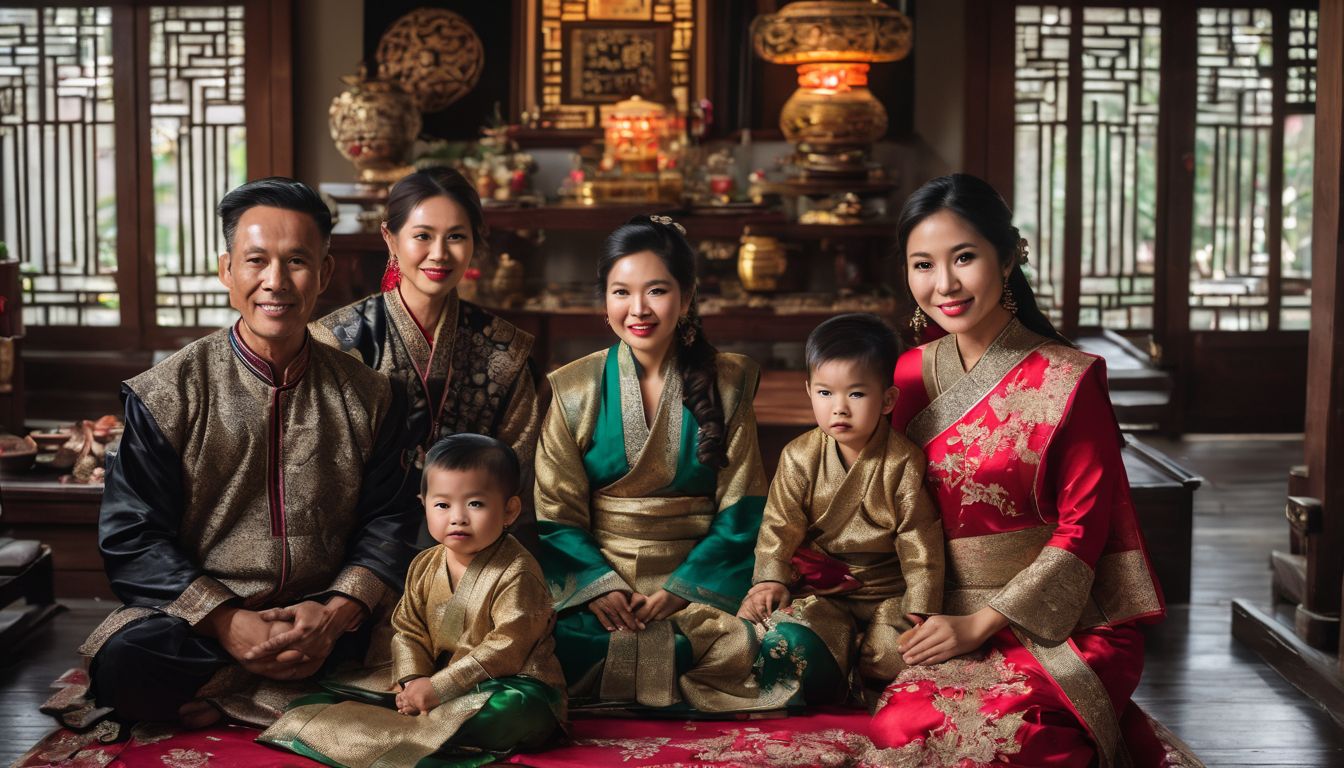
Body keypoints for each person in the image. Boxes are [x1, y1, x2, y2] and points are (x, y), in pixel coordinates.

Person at [82, 178, 418, 727]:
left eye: (297, 262)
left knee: (420, 637)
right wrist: (225, 620)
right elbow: (132, 538)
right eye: (257, 260)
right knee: (127, 661)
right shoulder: (168, 392)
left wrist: (337, 611)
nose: (275, 282)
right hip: (203, 624)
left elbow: (390, 518)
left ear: (325, 274)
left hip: (324, 618)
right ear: (227, 271)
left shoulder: (371, 394)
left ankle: (228, 696)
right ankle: (268, 686)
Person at [869, 174, 1167, 766]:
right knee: (902, 730)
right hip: (938, 604)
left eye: (964, 258)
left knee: (1010, 736)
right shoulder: (901, 377)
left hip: (1059, 618)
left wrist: (983, 623)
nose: (944, 284)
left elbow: (1084, 529)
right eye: (922, 264)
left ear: (1007, 259)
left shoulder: (1069, 378)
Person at [534, 215, 776, 711]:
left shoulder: (728, 383)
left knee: (796, 643)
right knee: (541, 646)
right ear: (604, 298)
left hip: (702, 592)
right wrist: (597, 588)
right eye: (621, 292)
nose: (638, 309)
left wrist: (681, 591)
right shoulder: (574, 388)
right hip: (602, 593)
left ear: (686, 298)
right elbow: (556, 512)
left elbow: (742, 507)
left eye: (657, 291)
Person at [259, 434, 565, 766]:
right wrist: (415, 678)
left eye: (475, 503)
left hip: (508, 682)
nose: (457, 517)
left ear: (510, 510)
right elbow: (407, 630)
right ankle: (419, 720)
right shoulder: (424, 564)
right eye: (443, 505)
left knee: (513, 711)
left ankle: (412, 729)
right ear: (424, 505)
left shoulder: (518, 571)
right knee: (324, 697)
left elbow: (508, 645)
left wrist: (441, 688)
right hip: (435, 678)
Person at [311, 168, 540, 551]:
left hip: (474, 552)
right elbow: (318, 477)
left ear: (473, 242)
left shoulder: (505, 349)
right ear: (390, 238)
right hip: (358, 549)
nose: (439, 253)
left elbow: (519, 477)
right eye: (422, 236)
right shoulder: (336, 341)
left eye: (455, 237)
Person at [737, 313, 944, 703]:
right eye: (825, 393)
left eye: (857, 394)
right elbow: (778, 528)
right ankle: (839, 661)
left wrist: (922, 606)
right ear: (809, 391)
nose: (840, 408)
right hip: (824, 591)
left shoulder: (903, 461)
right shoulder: (799, 456)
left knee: (894, 656)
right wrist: (770, 579)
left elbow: (920, 540)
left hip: (889, 592)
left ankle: (863, 662)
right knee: (785, 641)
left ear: (888, 399)